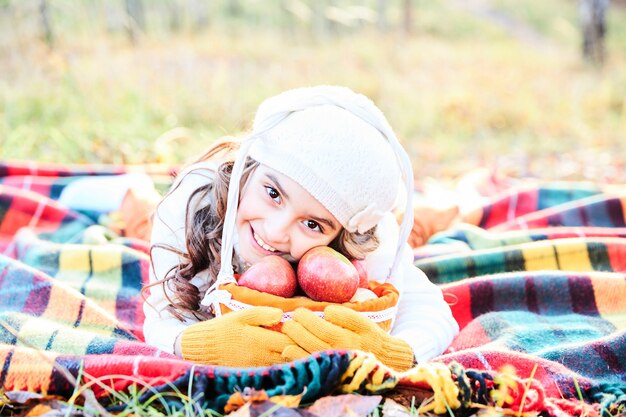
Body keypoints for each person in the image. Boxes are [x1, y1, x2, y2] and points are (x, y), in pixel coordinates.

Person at [143, 85, 459, 371]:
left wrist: (393, 353)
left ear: (341, 238)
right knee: (141, 213)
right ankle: (135, 192)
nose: (276, 231)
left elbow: (433, 315)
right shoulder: (194, 201)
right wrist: (198, 344)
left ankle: (434, 217)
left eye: (312, 224)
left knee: (408, 242)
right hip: (210, 216)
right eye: (273, 193)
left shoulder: (369, 245)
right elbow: (160, 319)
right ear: (249, 169)